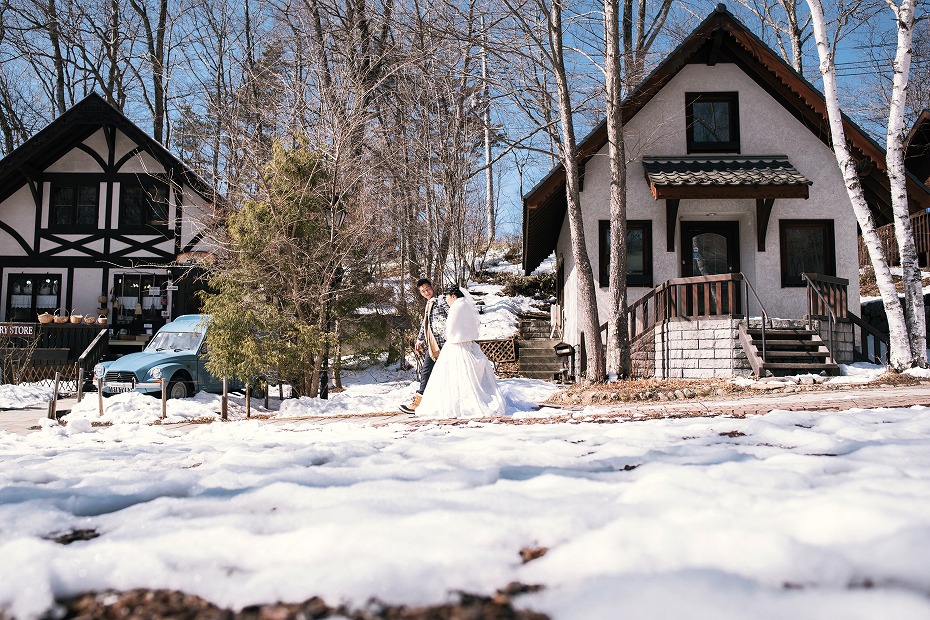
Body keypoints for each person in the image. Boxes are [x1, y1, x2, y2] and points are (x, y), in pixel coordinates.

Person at [415, 285, 506, 419]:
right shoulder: (466, 305)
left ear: (453, 296)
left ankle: (457, 405)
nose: (446, 300)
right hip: (469, 344)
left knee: (453, 377)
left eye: (447, 297)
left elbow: (450, 329)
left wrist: (443, 330)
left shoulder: (455, 306)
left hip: (455, 345)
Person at [399, 277, 449, 414]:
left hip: (446, 345)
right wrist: (419, 339)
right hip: (432, 345)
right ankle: (419, 402)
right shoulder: (428, 304)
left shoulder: (441, 300)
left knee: (448, 374)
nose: (426, 292)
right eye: (423, 291)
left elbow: (452, 314)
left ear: (432, 287)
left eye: (427, 289)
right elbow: (425, 323)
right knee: (426, 371)